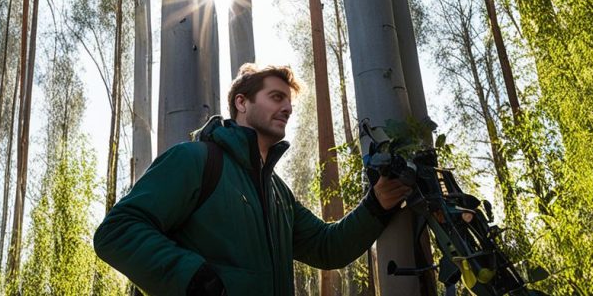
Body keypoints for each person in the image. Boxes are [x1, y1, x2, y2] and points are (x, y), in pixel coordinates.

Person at [93, 63, 412, 295]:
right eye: (276, 97)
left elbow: (326, 248)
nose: (287, 108)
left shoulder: (277, 193)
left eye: (289, 102)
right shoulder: (194, 159)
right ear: (242, 103)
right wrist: (198, 281)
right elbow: (117, 232)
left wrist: (377, 204)